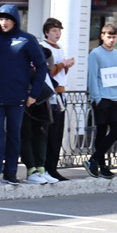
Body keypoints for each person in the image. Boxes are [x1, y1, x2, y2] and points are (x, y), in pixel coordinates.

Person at [0, 3, 48, 185]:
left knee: (14, 135)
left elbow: (41, 66)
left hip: (18, 97)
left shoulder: (27, 40)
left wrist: (34, 94)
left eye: (7, 19)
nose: (4, 22)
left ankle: (10, 173)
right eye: (1, 19)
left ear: (15, 20)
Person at [84, 23, 117, 179]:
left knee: (116, 131)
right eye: (109, 37)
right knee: (101, 132)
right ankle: (101, 165)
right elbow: (92, 77)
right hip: (102, 98)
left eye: (114, 37)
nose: (111, 40)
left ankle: (94, 159)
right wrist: (97, 98)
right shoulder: (95, 54)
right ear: (102, 36)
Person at [40, 18, 75, 181]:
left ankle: (53, 167)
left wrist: (66, 66)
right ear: (47, 32)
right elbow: (49, 72)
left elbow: (61, 74)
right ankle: (45, 167)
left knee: (57, 133)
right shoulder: (43, 47)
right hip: (50, 94)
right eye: (54, 30)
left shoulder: (60, 47)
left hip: (61, 93)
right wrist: (62, 64)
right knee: (49, 132)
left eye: (59, 30)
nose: (57, 33)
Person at [22, 46, 59, 185]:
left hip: (41, 102)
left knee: (41, 135)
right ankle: (31, 170)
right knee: (26, 135)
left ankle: (40, 168)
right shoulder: (22, 59)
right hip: (25, 100)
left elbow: (48, 67)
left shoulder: (41, 56)